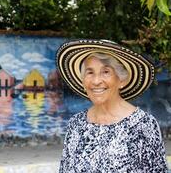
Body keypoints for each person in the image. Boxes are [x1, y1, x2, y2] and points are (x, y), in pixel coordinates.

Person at [56, 39, 168, 172]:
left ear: (122, 79)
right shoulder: (76, 124)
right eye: (90, 72)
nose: (96, 81)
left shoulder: (143, 125)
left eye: (106, 72)